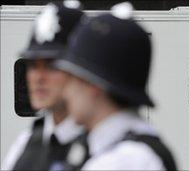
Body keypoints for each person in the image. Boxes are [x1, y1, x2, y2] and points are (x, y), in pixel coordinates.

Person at [53, 2, 177, 170]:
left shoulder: (118, 163)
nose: (66, 93)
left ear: (94, 85)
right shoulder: (139, 145)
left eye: (72, 80)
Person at [1, 1, 86, 170]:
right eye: (33, 65)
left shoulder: (109, 147)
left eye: (51, 65)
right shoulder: (27, 143)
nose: (38, 77)